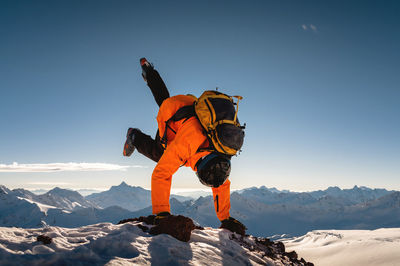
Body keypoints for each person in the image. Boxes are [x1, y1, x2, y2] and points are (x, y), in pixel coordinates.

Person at [123, 58, 245, 234]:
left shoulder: (224, 147)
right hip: (175, 114)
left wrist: (225, 218)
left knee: (164, 99)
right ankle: (134, 136)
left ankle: (150, 73)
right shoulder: (188, 143)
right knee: (160, 154)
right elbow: (161, 173)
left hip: (191, 105)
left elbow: (221, 184)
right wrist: (162, 214)